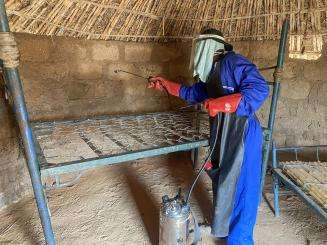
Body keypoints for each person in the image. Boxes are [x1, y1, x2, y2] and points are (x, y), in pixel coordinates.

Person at [148, 28, 269, 245]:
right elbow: (192, 93)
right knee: (224, 182)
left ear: (208, 47)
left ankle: (240, 240)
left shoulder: (234, 62)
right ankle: (225, 228)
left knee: (242, 190)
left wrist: (219, 103)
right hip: (224, 133)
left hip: (243, 134)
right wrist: (165, 84)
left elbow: (259, 90)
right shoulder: (212, 74)